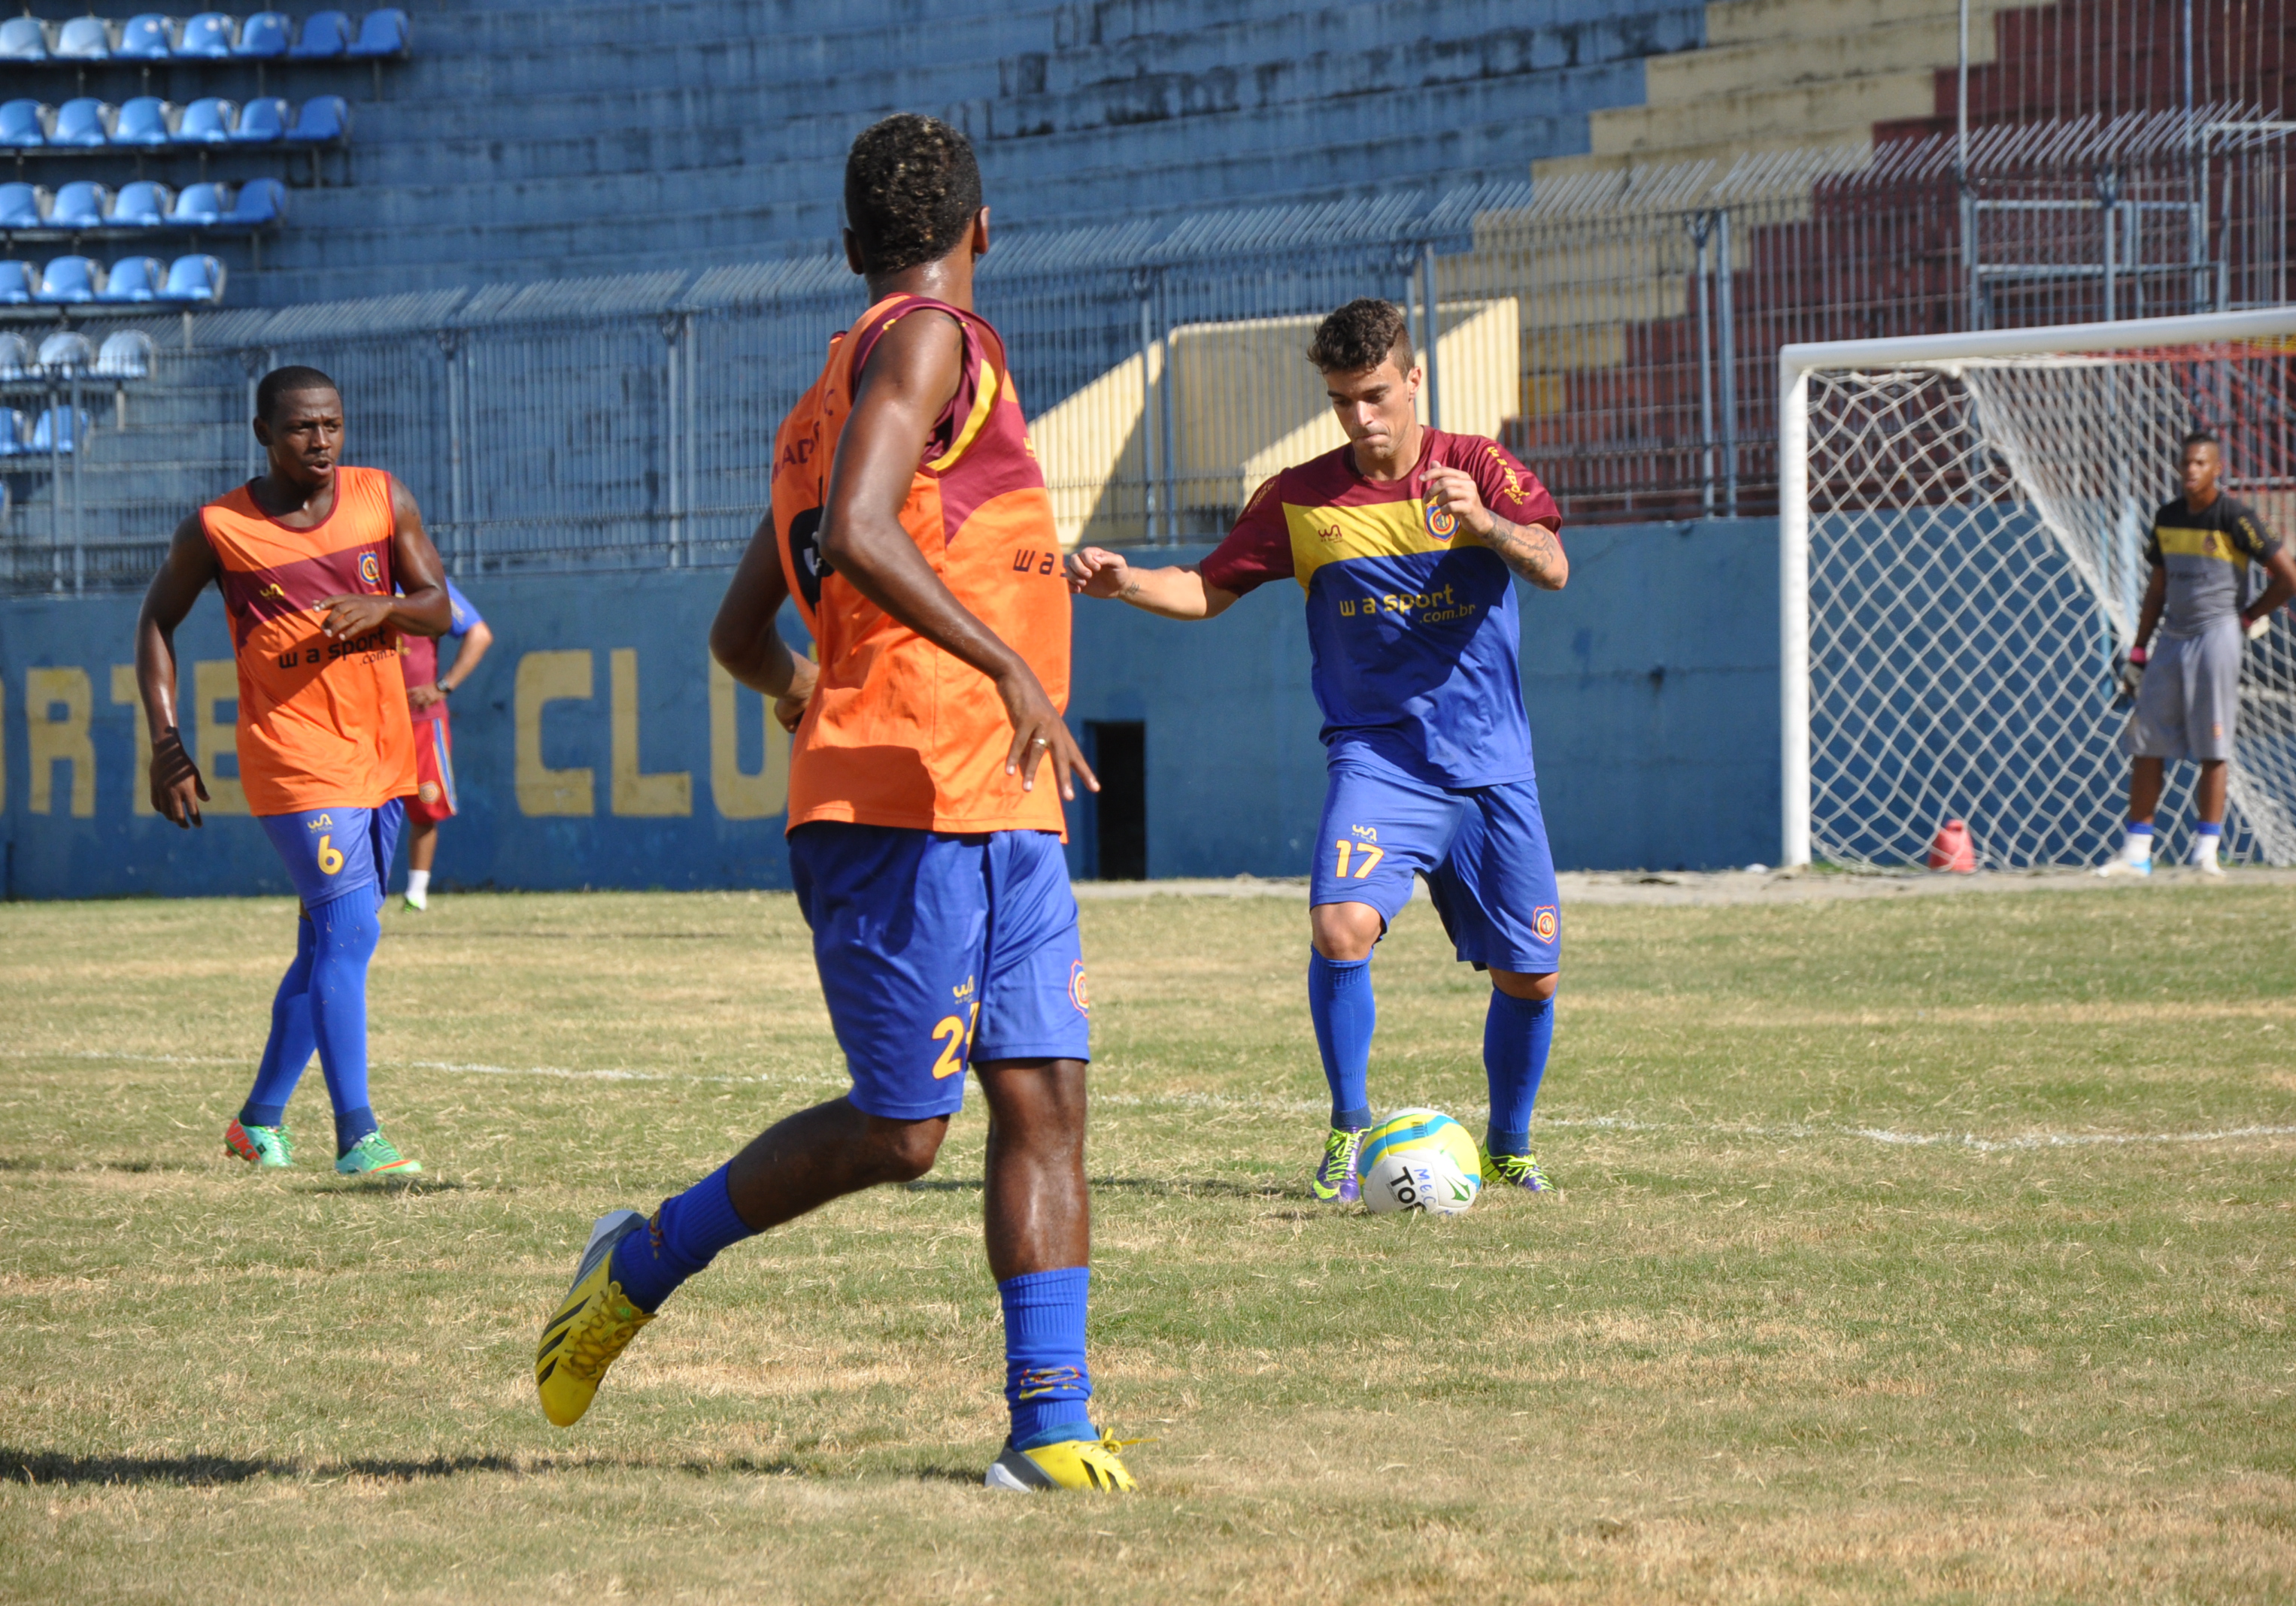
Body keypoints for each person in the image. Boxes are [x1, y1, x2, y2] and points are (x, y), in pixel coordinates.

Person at [535, 114, 1135, 1493]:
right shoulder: (931, 341)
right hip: (901, 805)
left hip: (996, 793)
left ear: (848, 242)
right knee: (901, 1132)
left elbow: (739, 633)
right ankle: (639, 1263)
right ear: (983, 229)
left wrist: (812, 689)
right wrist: (1000, 664)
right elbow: (859, 532)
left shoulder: (825, 404)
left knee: (1045, 1097)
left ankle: (1050, 1427)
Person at [1068, 297, 1569, 1204]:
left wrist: (1487, 525)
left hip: (1490, 762)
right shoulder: (1299, 497)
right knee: (1340, 928)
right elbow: (1207, 587)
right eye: (1342, 400)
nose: (1360, 416)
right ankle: (1348, 1128)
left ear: (1414, 380)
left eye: (1375, 395)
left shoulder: (1478, 467)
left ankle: (1510, 1145)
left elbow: (1554, 563)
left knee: (1530, 976)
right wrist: (1128, 581)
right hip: (1378, 759)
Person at [134, 365, 447, 1177]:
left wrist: (386, 607)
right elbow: (157, 621)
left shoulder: (382, 497)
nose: (321, 440)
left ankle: (258, 1122)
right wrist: (166, 742)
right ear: (263, 434)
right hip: (295, 757)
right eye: (303, 427)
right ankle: (358, 1136)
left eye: (332, 424)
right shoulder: (218, 529)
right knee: (353, 932)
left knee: (327, 943)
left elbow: (439, 606)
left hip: (381, 753)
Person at [2097, 432, 2296, 877]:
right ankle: (2136, 853)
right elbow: (2157, 590)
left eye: (2200, 463)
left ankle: (2205, 854)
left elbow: (2290, 578)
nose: (2191, 470)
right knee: (2146, 743)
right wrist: (2139, 650)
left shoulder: (2236, 517)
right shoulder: (2168, 517)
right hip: (2171, 638)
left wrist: (2248, 617)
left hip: (2217, 636)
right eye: (2186, 462)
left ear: (2217, 469)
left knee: (2213, 747)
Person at [395, 577, 491, 911]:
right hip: (368, 720)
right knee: (361, 811)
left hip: (421, 719)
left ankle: (416, 893)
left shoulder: (426, 583)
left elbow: (479, 633)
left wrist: (442, 686)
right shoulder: (358, 578)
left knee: (426, 807)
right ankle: (363, 890)